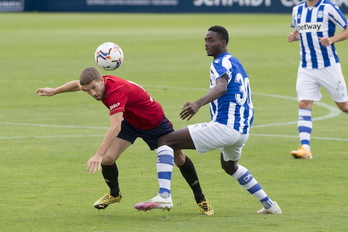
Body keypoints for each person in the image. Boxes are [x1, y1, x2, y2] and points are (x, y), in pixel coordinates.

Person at [134, 25, 282, 214]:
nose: (206, 44)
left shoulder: (219, 62)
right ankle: (270, 205)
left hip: (226, 127)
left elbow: (221, 87)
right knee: (229, 166)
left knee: (165, 142)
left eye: (211, 40)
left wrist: (198, 103)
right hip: (241, 131)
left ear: (223, 43)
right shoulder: (235, 62)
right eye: (205, 40)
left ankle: (164, 196)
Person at [36, 67, 214, 215]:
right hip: (131, 122)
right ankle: (115, 194)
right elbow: (77, 85)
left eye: (93, 88)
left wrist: (97, 154)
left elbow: (115, 128)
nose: (92, 93)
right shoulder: (98, 84)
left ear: (101, 80)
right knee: (108, 159)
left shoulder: (116, 92)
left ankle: (201, 198)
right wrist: (55, 91)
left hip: (155, 122)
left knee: (179, 159)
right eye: (88, 90)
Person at [288, 0, 348, 159]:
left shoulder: (328, 8)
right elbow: (300, 33)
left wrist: (333, 39)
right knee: (304, 103)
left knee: (343, 106)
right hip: (306, 67)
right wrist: (295, 37)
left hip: (328, 67)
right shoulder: (297, 10)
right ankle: (305, 148)